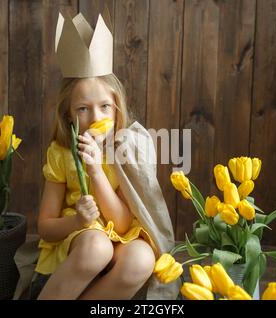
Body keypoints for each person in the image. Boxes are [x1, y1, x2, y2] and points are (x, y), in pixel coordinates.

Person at [13, 12, 179, 301]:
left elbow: (125, 224)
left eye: (105, 107)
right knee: (98, 245)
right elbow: (46, 228)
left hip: (119, 238)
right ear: (68, 115)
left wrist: (95, 170)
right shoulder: (61, 154)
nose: (95, 118)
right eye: (83, 109)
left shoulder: (125, 151)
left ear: (117, 109)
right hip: (80, 242)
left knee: (142, 257)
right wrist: (77, 221)